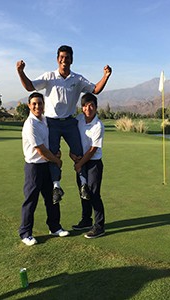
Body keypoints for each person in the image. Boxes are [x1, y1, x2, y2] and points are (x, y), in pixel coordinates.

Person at [16, 45, 112, 204]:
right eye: (61, 57)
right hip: (52, 122)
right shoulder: (49, 76)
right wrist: (20, 72)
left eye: (67, 57)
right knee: (53, 155)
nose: (64, 60)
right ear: (57, 59)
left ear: (71, 59)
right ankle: (56, 187)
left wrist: (106, 76)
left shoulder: (78, 79)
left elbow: (95, 90)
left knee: (78, 153)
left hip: (69, 122)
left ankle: (83, 185)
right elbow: (29, 87)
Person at [19, 92, 69, 246]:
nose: (37, 106)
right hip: (34, 167)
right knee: (31, 201)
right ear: (29, 105)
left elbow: (50, 143)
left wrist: (56, 153)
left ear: (43, 105)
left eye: (40, 103)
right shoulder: (30, 124)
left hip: (46, 165)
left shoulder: (45, 120)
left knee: (52, 199)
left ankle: (54, 227)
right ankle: (25, 233)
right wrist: (57, 160)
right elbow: (40, 149)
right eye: (34, 104)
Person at [71, 93, 106, 238]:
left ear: (96, 107)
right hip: (80, 160)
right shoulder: (78, 119)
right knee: (83, 192)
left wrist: (79, 164)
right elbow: (71, 135)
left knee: (93, 193)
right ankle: (86, 220)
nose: (88, 108)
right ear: (82, 107)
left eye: (91, 105)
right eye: (85, 105)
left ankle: (99, 226)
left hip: (93, 164)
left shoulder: (98, 125)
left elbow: (93, 150)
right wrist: (71, 153)